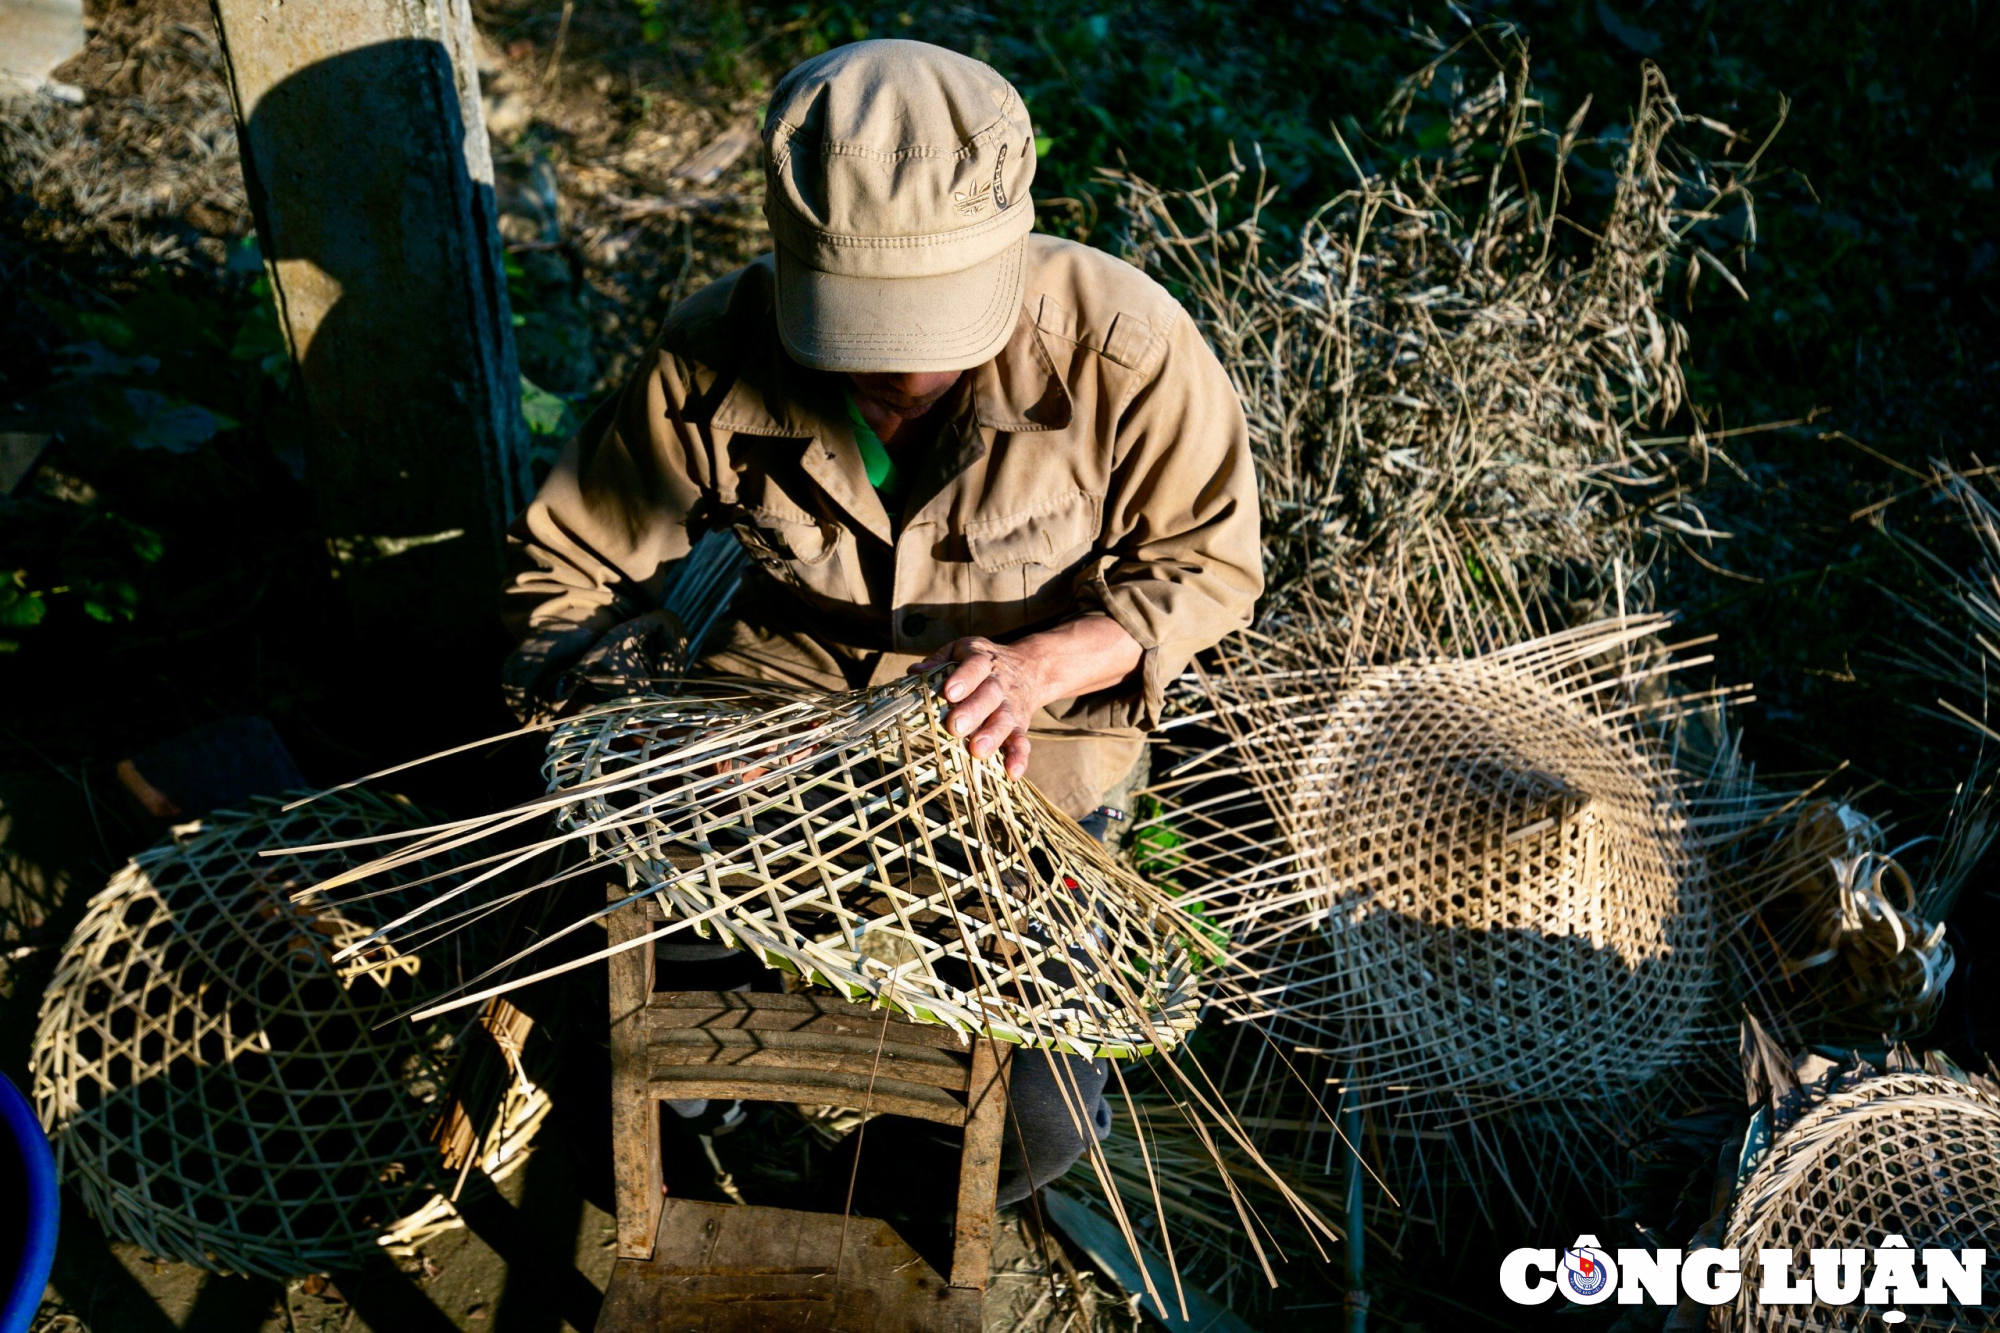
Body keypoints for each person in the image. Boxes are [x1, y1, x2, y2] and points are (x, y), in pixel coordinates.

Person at [501, 38, 1261, 1208]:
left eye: (934, 335)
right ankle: (716, 1127)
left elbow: (1208, 566)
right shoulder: (713, 349)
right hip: (771, 715)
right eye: (860, 338)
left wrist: (1043, 664)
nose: (900, 379)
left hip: (1024, 736)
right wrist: (646, 725)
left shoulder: (1128, 353)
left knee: (1039, 1119)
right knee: (595, 975)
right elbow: (567, 571)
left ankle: (852, 1201)